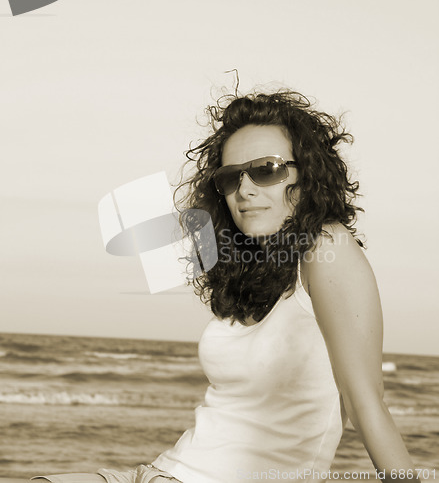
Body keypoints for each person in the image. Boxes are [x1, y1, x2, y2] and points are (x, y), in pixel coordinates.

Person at [29, 88, 419, 483]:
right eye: (231, 177)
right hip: (156, 473)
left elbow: (366, 400)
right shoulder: (249, 273)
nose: (245, 189)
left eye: (266, 169)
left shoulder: (327, 247)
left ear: (307, 175)